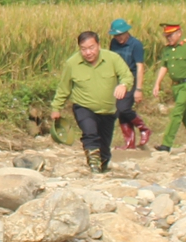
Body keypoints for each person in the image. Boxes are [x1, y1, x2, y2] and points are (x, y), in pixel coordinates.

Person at [52, 30, 134, 171]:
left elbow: (127, 76)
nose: (88, 53)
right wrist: (56, 108)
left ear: (98, 45)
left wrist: (123, 85)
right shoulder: (72, 64)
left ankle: (101, 164)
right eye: (83, 49)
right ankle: (93, 165)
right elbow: (64, 88)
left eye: (91, 48)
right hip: (83, 106)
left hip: (108, 110)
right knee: (90, 133)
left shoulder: (113, 58)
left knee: (104, 147)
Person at [150, 22, 186, 154]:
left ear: (179, 33)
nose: (168, 38)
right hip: (176, 86)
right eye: (167, 36)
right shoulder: (167, 49)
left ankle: (166, 144)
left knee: (177, 112)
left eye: (171, 35)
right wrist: (157, 83)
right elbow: (164, 66)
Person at [109, 20, 150, 149]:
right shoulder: (114, 44)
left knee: (123, 108)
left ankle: (143, 128)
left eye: (120, 35)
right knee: (119, 111)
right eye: (116, 36)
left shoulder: (135, 44)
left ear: (127, 32)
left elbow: (140, 67)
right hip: (118, 80)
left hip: (131, 80)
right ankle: (129, 143)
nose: (118, 38)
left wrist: (139, 89)